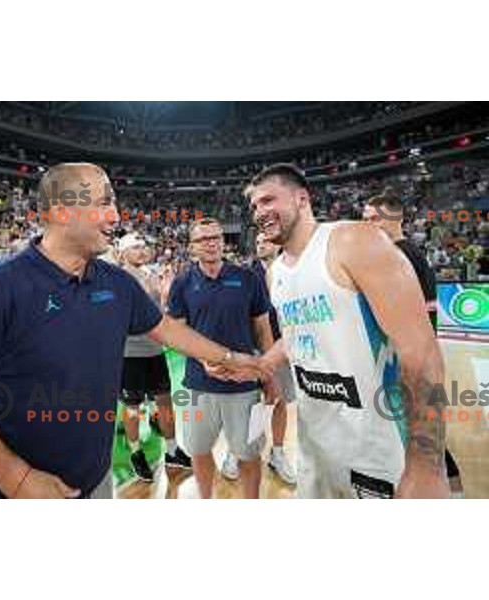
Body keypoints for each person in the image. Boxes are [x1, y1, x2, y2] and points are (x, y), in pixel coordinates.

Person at [0, 163, 266, 499]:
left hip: (98, 482)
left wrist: (233, 358)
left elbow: (168, 330)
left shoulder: (116, 282)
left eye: (113, 204)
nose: (115, 217)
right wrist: (20, 480)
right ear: (60, 212)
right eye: (103, 203)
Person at [245, 163, 449, 499]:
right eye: (254, 206)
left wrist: (427, 464)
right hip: (315, 450)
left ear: (301, 198)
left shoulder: (354, 240)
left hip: (377, 448)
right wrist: (258, 363)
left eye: (268, 200)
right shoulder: (275, 271)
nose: (260, 212)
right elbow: (297, 334)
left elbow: (423, 353)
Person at [363, 188, 464, 498]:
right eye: (365, 219)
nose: (368, 225)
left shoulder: (399, 255)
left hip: (407, 360)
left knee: (418, 435)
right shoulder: (409, 253)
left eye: (375, 219)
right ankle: (454, 490)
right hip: (413, 356)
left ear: (397, 219)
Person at [167, 218, 277, 499]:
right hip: (196, 386)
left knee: (248, 453)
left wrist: (268, 375)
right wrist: (204, 360)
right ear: (192, 247)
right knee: (199, 450)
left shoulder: (247, 278)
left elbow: (263, 330)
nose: (212, 242)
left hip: (243, 384)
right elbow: (178, 334)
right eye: (203, 239)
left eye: (216, 237)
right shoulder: (181, 283)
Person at [220, 232, 296, 485]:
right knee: (248, 404)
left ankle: (277, 452)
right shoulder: (245, 275)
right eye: (258, 241)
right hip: (251, 347)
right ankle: (237, 451)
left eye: (265, 240)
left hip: (282, 346)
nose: (260, 244)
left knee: (280, 401)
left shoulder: (293, 269)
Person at [117, 233, 192, 481]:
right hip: (130, 353)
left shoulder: (151, 275)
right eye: (135, 247)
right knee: (132, 408)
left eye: (143, 246)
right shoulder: (119, 279)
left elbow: (160, 315)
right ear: (123, 252)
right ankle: (136, 453)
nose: (141, 250)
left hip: (155, 350)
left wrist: (165, 294)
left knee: (165, 402)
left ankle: (172, 451)